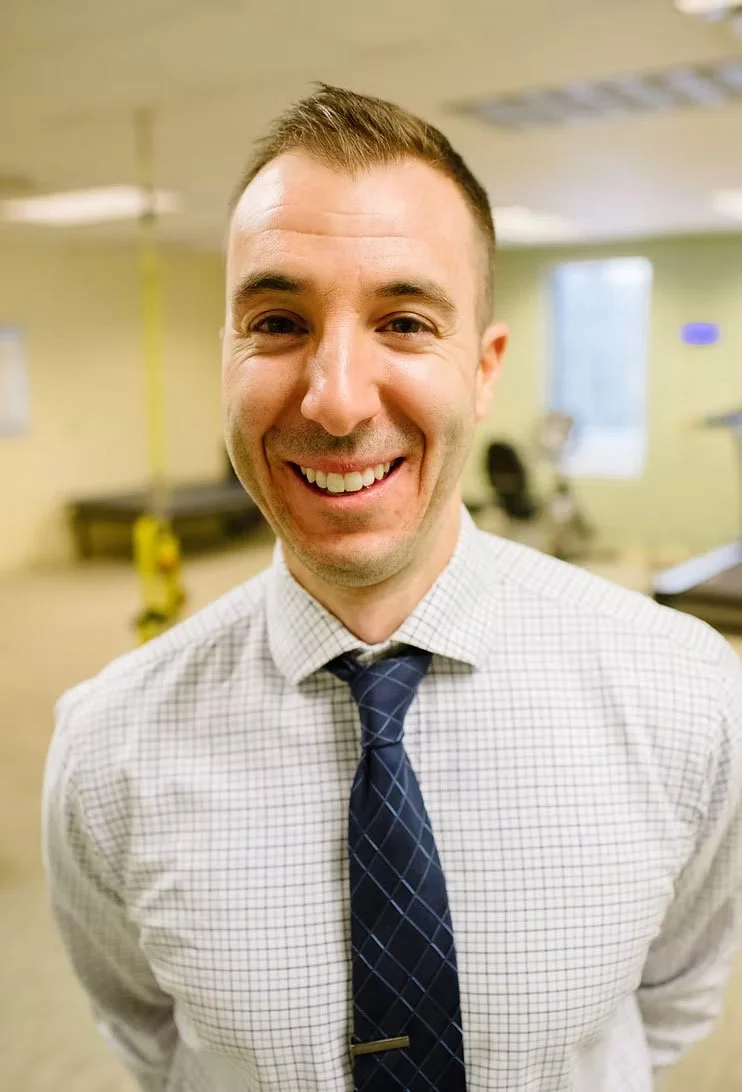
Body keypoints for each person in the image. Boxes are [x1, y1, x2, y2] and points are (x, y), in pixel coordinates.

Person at [42, 84, 742, 1092]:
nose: (333, 399)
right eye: (277, 319)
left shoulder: (687, 695)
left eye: (405, 322)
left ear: (483, 367)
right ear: (227, 359)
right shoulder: (107, 745)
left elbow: (670, 1003)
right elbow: (154, 1038)